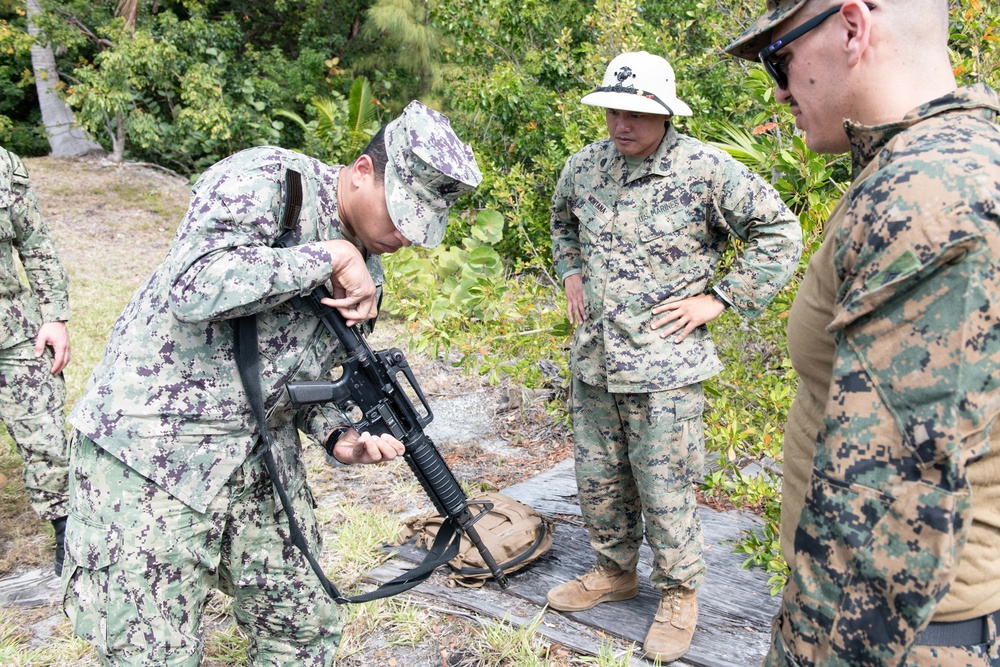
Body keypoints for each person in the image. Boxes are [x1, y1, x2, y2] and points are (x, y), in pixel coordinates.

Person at [62, 100, 482, 666]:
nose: (405, 235)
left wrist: (339, 436)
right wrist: (326, 254)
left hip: (259, 460)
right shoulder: (269, 183)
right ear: (362, 170)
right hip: (152, 456)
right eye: (402, 212)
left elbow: (307, 378)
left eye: (420, 226)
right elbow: (192, 286)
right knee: (150, 653)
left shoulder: (369, 268)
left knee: (305, 630)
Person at [725, 2, 1000, 665]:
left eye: (779, 57)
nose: (780, 90)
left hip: (891, 639)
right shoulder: (945, 162)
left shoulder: (925, 197)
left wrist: (806, 651)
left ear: (852, 28)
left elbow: (886, 504)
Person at [546, 51, 803, 663]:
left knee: (665, 487)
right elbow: (562, 224)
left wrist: (719, 299)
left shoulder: (706, 171)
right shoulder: (583, 168)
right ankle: (614, 571)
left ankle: (680, 592)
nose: (620, 124)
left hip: (665, 366)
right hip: (596, 362)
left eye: (635, 113)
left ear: (665, 114)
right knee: (599, 480)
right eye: (612, 110)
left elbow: (779, 232)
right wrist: (571, 272)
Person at [0, 147, 72, 576]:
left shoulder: (4, 166)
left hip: (12, 327)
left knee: (43, 435)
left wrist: (54, 317)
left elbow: (36, 243)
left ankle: (67, 530)